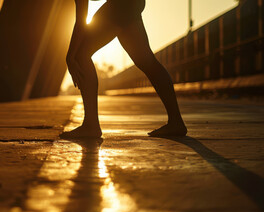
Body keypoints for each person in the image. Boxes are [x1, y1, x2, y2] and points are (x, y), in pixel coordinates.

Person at [60, 0, 187, 139]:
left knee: (79, 55)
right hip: (130, 4)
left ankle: (91, 125)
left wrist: (69, 56)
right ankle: (176, 122)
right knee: (146, 61)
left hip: (121, 5)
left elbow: (81, 22)